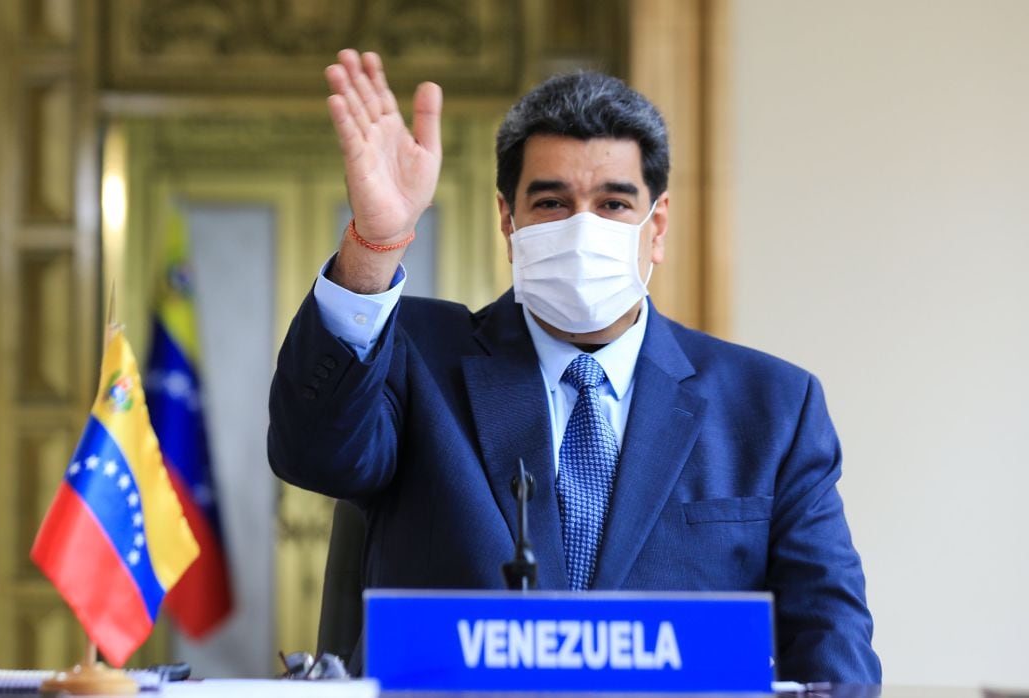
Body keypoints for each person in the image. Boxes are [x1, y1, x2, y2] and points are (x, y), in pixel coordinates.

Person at [268, 49, 881, 683]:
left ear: (657, 224)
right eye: (553, 203)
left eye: (614, 204)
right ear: (509, 222)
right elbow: (310, 454)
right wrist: (375, 242)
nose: (583, 227)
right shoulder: (416, 357)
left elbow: (830, 639)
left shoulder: (774, 406)